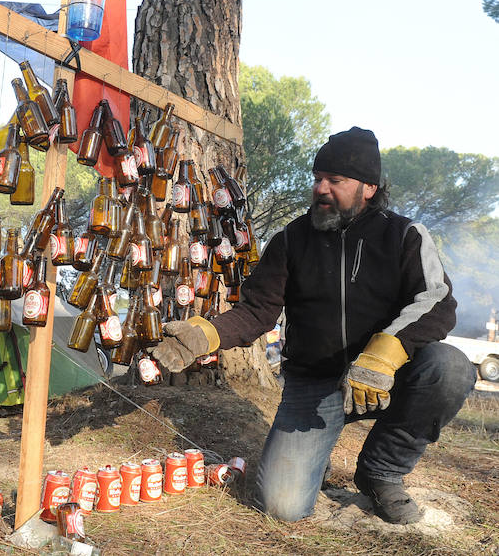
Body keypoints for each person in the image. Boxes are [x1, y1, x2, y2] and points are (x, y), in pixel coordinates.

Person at [150, 127, 476, 525]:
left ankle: (381, 471)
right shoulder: (290, 240)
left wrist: (385, 353)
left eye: (334, 180)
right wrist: (205, 335)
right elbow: (256, 312)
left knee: (450, 367)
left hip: (386, 377)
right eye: (317, 178)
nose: (321, 188)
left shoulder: (405, 236)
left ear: (368, 187)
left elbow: (437, 302)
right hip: (315, 384)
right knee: (281, 506)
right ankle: (310, 459)